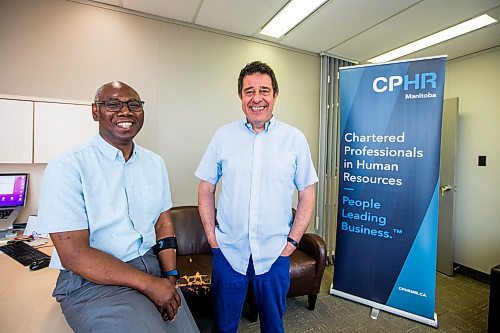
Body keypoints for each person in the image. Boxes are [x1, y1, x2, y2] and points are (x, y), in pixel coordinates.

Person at [38, 81, 199, 333]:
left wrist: (170, 277)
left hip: (151, 269)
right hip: (93, 282)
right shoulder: (68, 167)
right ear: (95, 111)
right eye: (113, 104)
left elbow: (163, 223)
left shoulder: (154, 164)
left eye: (134, 104)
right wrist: (150, 284)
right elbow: (74, 255)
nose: (125, 111)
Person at [196, 61, 318, 333]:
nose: (257, 98)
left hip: (275, 252)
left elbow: (307, 193)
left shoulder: (294, 139)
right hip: (229, 250)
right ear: (240, 96)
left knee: (274, 325)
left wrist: (293, 241)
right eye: (249, 91)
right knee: (224, 325)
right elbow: (206, 187)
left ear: (275, 95)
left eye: (264, 90)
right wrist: (212, 238)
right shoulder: (223, 136)